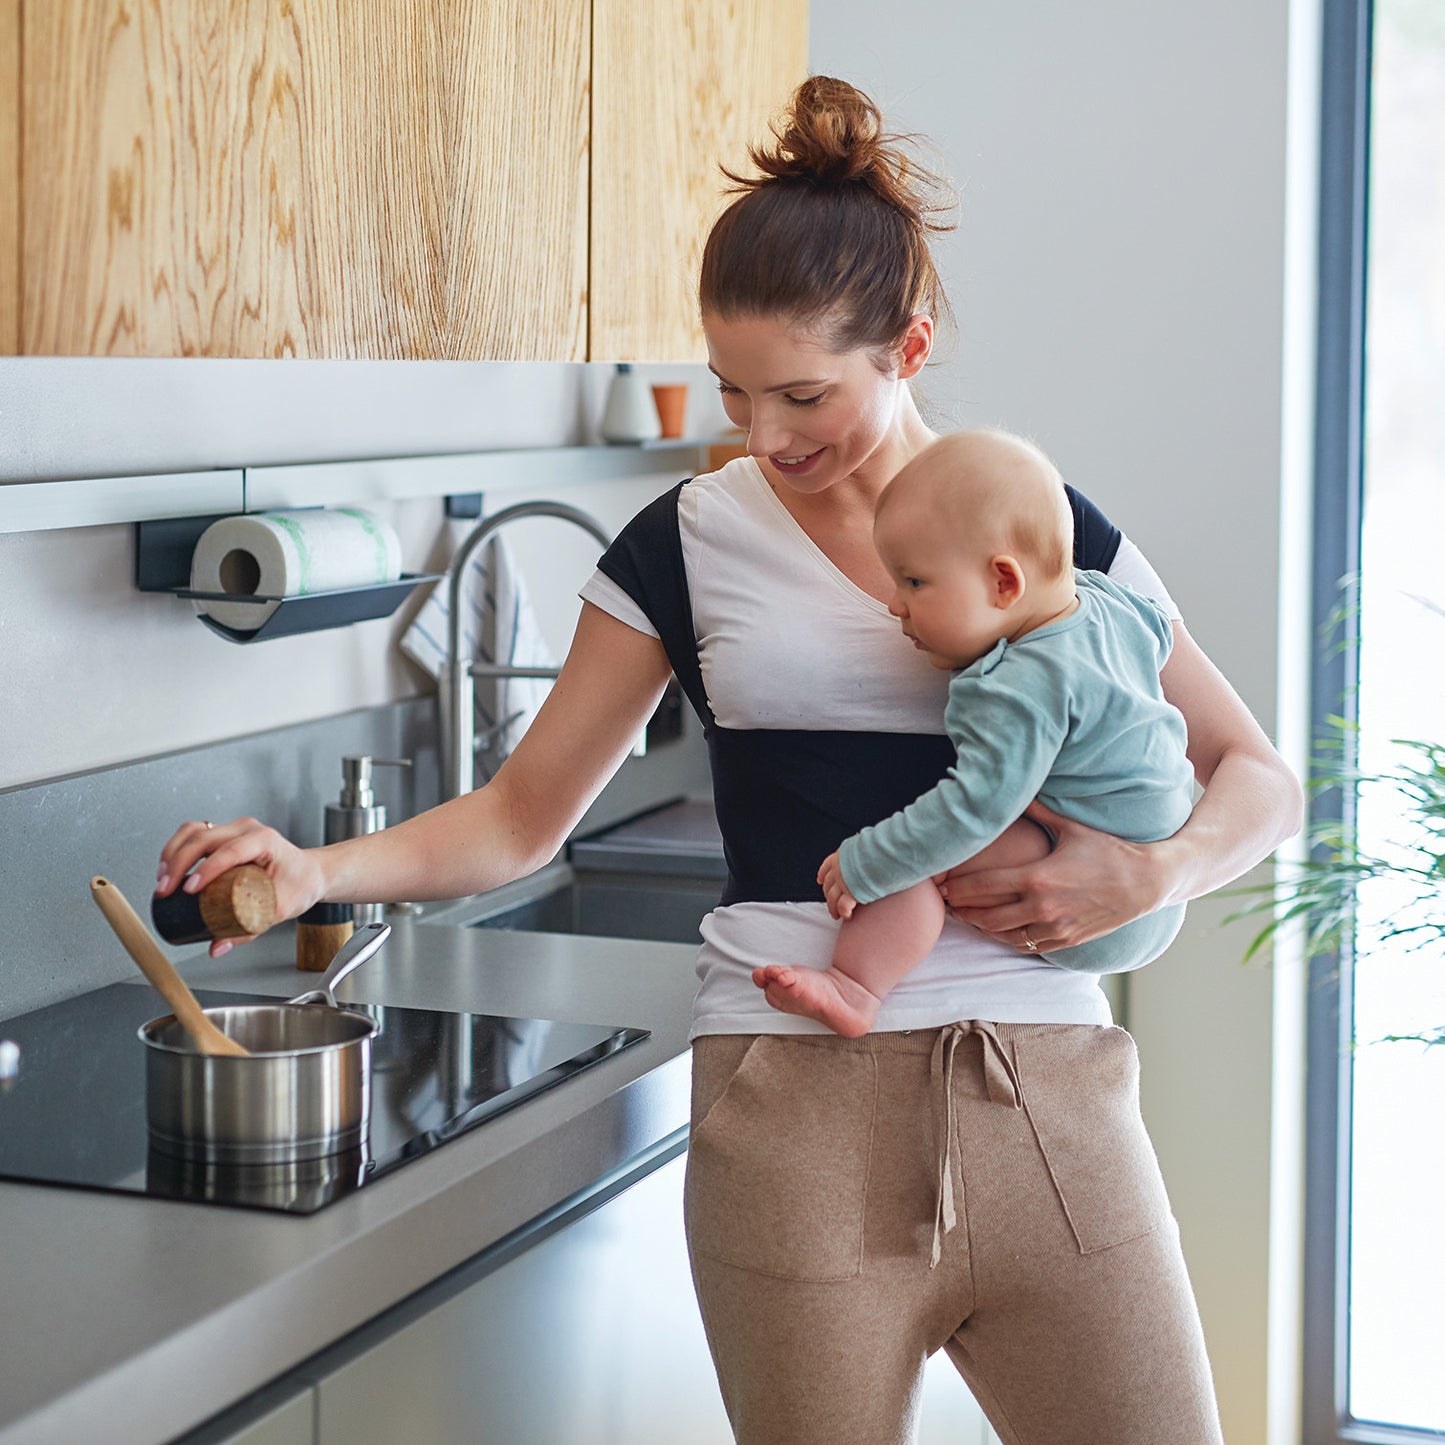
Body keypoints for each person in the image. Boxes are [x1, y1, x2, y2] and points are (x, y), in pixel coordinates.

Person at [157, 76, 1301, 1445]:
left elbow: (1259, 778)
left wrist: (1152, 873)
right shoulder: (680, 547)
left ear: (910, 347)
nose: (765, 438)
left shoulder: (1044, 531)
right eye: (734, 392)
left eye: (805, 393)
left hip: (1047, 1092)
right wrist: (313, 873)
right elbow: (524, 817)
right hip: (793, 1107)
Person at [755, 426, 1195, 1038]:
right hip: (1163, 877)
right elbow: (1160, 634)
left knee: (928, 858)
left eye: (913, 582)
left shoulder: (1018, 684)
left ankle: (855, 986)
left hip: (1106, 904)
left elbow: (974, 808)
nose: (894, 604)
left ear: (1003, 583)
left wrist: (867, 862)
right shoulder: (1108, 602)